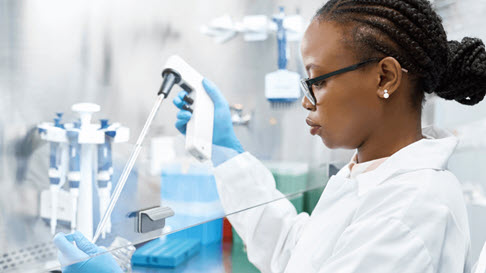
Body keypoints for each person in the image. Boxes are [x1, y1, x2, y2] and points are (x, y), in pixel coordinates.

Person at [54, 0, 486, 272]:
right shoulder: (372, 176)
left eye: (317, 80)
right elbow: (293, 253)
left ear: (385, 77)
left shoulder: (410, 209)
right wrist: (228, 152)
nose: (306, 100)